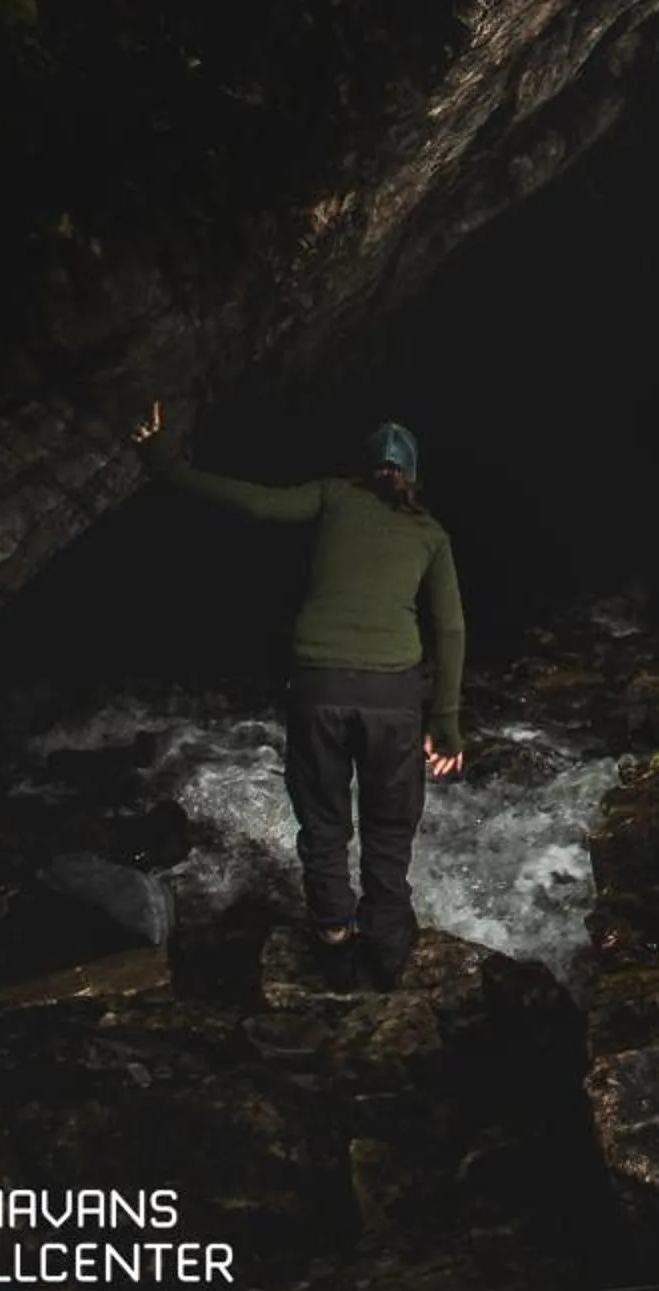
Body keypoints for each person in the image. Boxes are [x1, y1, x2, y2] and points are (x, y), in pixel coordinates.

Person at [131, 401, 466, 991]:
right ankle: (386, 950)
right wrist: (447, 723)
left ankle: (335, 937)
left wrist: (166, 465)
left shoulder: (333, 496)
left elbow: (256, 503)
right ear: (413, 476)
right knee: (390, 824)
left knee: (324, 819)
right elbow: (451, 630)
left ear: (364, 469)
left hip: (320, 686)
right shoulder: (430, 533)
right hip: (393, 695)